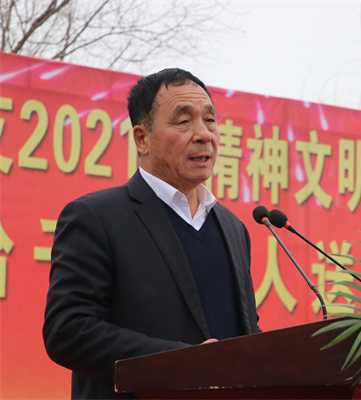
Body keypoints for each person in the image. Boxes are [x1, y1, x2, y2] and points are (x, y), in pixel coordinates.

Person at [43, 68, 260, 399]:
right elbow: (69, 331)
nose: (204, 134)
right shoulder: (96, 217)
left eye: (210, 120)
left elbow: (244, 330)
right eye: (184, 121)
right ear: (142, 138)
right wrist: (182, 362)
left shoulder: (232, 227)